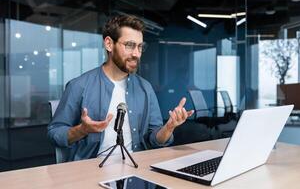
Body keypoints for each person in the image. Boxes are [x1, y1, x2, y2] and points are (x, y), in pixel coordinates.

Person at [47, 15, 194, 162]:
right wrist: (81, 130)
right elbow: (55, 133)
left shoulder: (145, 88)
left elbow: (154, 138)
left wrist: (168, 128)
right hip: (92, 173)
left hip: (137, 172)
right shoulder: (78, 86)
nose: (136, 53)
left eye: (140, 47)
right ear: (109, 44)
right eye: (130, 45)